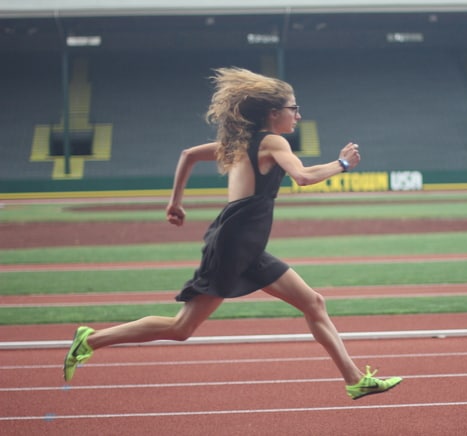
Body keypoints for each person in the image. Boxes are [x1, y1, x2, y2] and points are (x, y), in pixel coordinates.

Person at [63, 67, 402, 400]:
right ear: (273, 113)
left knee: (314, 303)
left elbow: (188, 155)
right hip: (235, 244)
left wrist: (175, 203)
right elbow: (303, 176)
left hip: (247, 245)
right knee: (181, 328)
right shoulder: (272, 141)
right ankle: (89, 340)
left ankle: (356, 380)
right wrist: (342, 164)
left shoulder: (240, 143)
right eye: (293, 108)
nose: (298, 115)